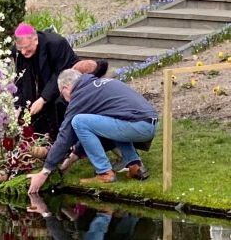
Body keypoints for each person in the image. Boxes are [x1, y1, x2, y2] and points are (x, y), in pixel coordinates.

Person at [27, 69, 159, 193]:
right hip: (149, 123)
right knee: (109, 118)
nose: (65, 100)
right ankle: (135, 166)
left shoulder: (80, 95)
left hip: (137, 125)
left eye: (62, 95)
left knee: (78, 121)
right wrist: (74, 156)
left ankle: (105, 173)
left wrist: (46, 170)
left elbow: (65, 135)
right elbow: (101, 128)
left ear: (65, 89)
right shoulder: (96, 85)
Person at [12, 23, 79, 138]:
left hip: (65, 83)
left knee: (57, 103)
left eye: (26, 47)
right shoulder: (18, 52)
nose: (23, 52)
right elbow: (21, 79)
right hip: (44, 83)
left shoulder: (56, 44)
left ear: (35, 40)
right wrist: (18, 105)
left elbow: (61, 73)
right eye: (20, 48)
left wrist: (43, 98)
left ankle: (66, 140)